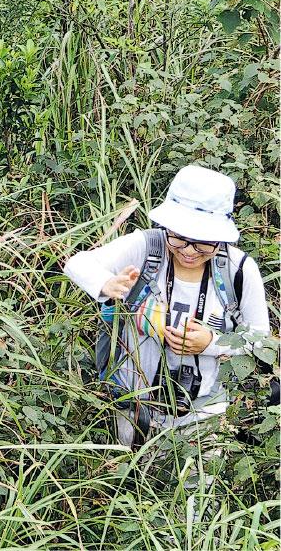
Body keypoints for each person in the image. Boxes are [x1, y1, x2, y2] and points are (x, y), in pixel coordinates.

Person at [64, 165, 270, 446]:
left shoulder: (238, 269)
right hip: (134, 405)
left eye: (203, 245)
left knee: (199, 487)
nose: (188, 252)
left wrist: (211, 342)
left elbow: (260, 338)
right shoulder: (147, 247)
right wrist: (106, 283)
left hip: (205, 412)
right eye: (180, 238)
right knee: (135, 482)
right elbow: (78, 263)